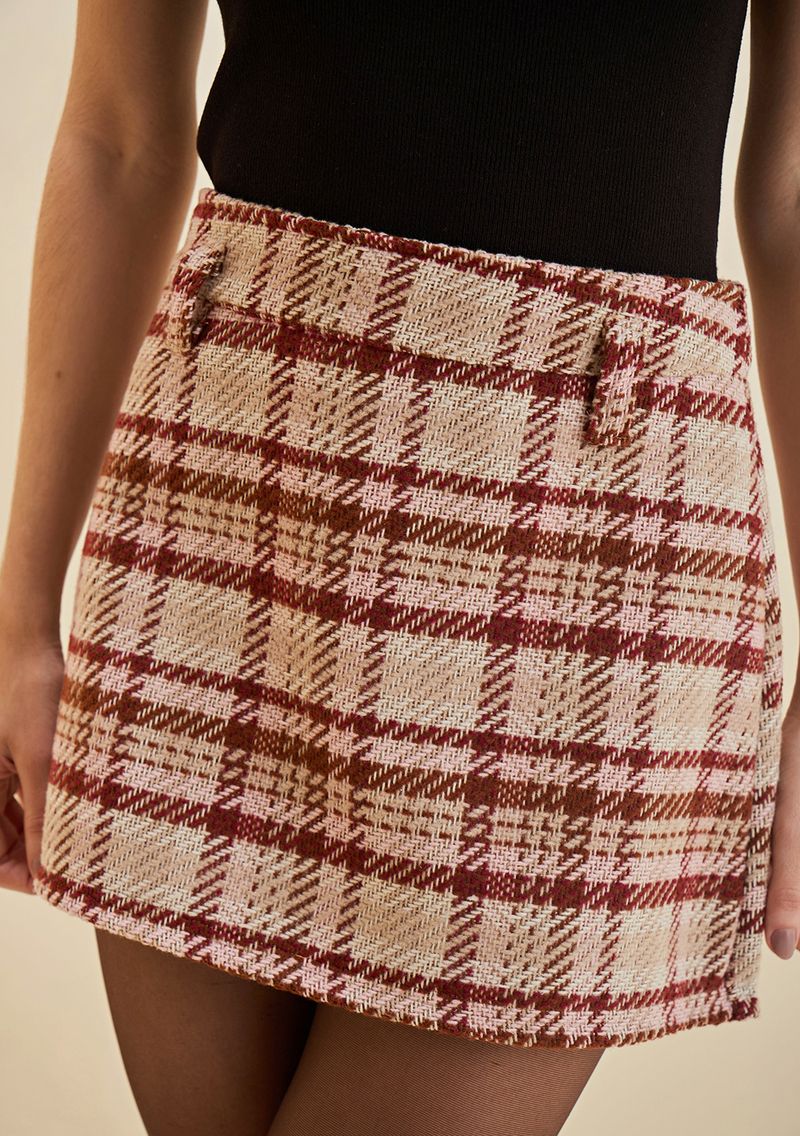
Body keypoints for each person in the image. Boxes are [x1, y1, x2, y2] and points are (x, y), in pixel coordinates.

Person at [1, 3, 797, 1135]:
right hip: (227, 477)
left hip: (592, 535)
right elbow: (118, 139)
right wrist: (21, 617)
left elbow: (792, 193)